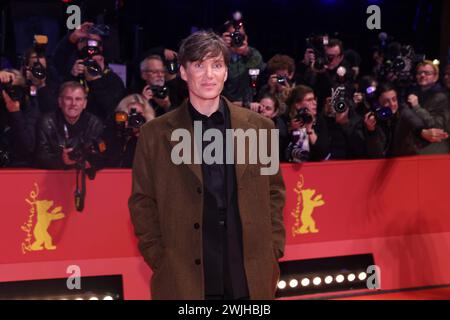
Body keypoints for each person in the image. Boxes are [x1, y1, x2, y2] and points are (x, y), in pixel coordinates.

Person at [129, 30, 285, 300]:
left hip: (249, 269)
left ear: (226, 72)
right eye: (199, 65)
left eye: (216, 65)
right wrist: (160, 257)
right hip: (183, 272)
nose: (209, 74)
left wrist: (273, 249)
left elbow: (274, 192)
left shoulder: (261, 128)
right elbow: (142, 201)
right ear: (184, 72)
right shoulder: (154, 134)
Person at [35, 81, 104, 170]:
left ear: (85, 103)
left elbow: (102, 156)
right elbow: (40, 158)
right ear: (60, 101)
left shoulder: (94, 123)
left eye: (78, 99)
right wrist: (61, 160)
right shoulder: (46, 122)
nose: (73, 104)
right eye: (68, 99)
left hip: (85, 177)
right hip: (52, 177)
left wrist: (91, 162)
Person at [103, 94, 154, 168]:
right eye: (131, 114)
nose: (135, 118)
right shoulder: (112, 135)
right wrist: (122, 133)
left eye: (139, 114)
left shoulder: (152, 139)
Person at [285, 85, 330, 162]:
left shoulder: (320, 120)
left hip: (314, 168)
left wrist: (309, 130)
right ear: (297, 105)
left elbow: (323, 153)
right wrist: (291, 130)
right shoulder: (285, 120)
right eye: (309, 100)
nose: (314, 103)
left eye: (314, 99)